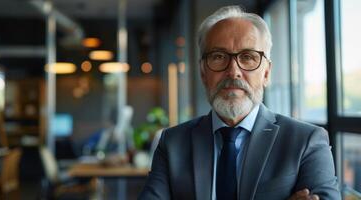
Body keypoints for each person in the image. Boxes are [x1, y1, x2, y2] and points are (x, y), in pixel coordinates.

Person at [138, 5, 341, 200]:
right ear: (202, 73)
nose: (233, 71)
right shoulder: (172, 143)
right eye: (218, 56)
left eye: (248, 57)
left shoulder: (307, 141)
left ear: (266, 73)